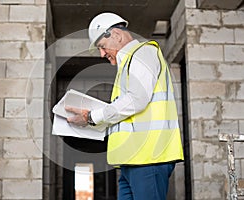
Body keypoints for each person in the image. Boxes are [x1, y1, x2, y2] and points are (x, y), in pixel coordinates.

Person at [66, 12, 184, 200]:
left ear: (117, 35)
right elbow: (127, 114)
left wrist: (92, 116)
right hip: (132, 161)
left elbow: (137, 100)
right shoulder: (128, 66)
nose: (102, 54)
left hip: (148, 158)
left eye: (102, 47)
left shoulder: (143, 53)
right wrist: (91, 120)